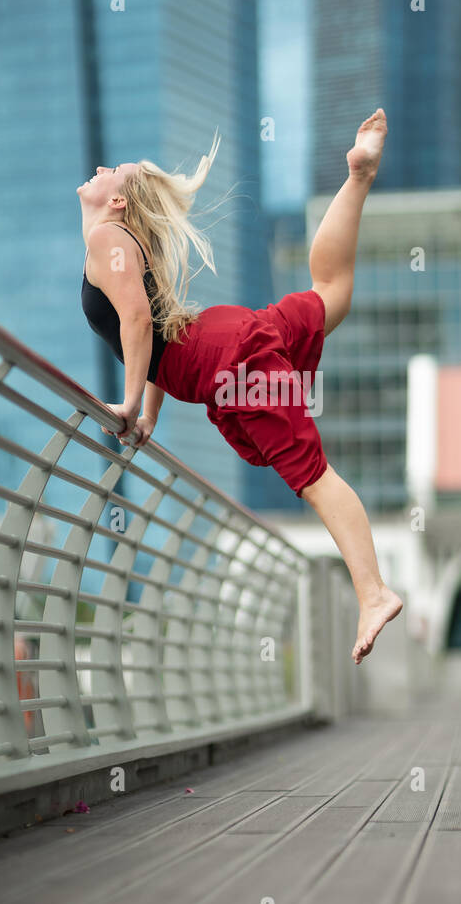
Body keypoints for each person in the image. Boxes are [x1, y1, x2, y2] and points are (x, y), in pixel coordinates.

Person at [78, 110, 402, 665]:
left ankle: (374, 593)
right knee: (330, 294)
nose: (102, 167)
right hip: (226, 340)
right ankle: (358, 178)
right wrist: (150, 414)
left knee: (314, 476)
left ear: (119, 202)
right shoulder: (123, 240)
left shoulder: (107, 236)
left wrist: (131, 403)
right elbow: (159, 327)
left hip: (229, 359)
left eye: (114, 170)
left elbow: (135, 319)